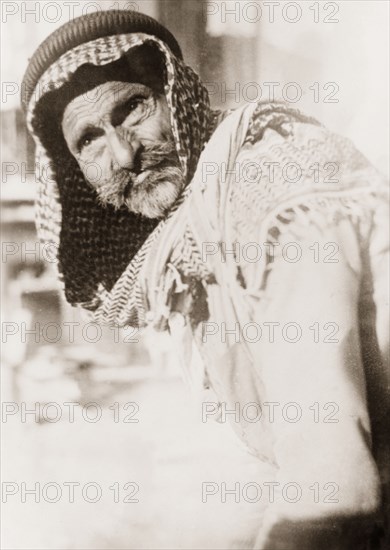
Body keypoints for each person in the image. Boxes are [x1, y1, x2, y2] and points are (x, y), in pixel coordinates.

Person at [21, 9, 388, 549]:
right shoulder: (195, 229)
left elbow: (331, 490)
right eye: (90, 142)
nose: (125, 153)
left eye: (133, 108)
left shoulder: (273, 184)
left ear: (176, 95)